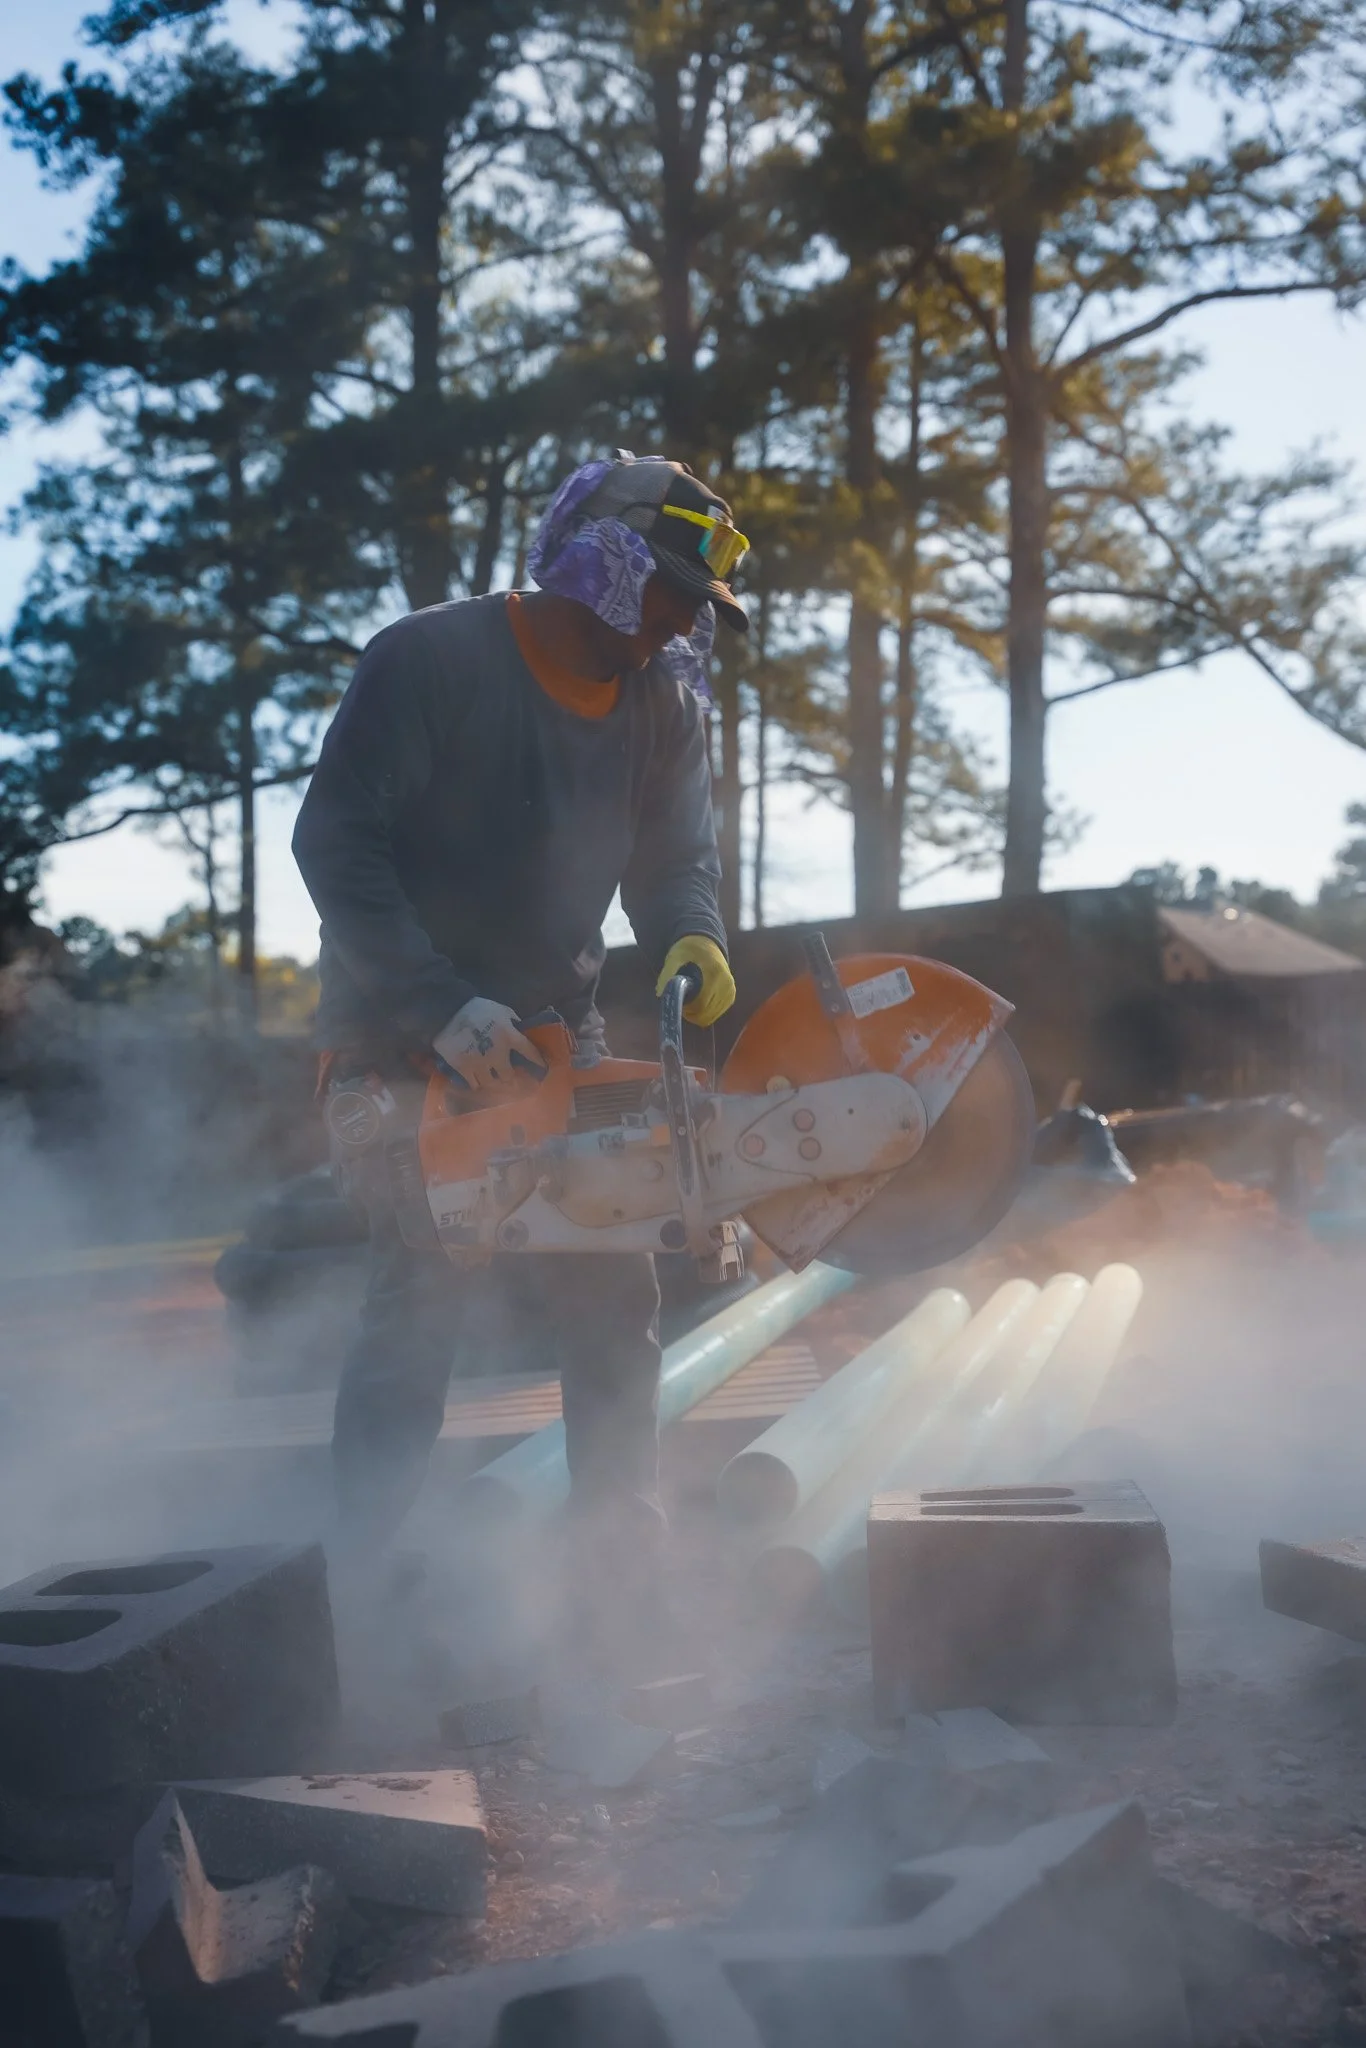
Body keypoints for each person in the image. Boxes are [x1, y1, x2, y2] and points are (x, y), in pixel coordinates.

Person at [292, 452, 747, 1642]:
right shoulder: (430, 661)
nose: (680, 622)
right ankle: (353, 1587)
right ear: (597, 560)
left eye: (695, 605)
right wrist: (440, 1006)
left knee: (613, 1286)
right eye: (669, 590)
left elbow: (674, 864)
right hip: (399, 1035)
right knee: (421, 1299)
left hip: (561, 1030)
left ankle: (617, 1570)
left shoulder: (659, 706)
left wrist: (691, 937)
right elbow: (334, 847)